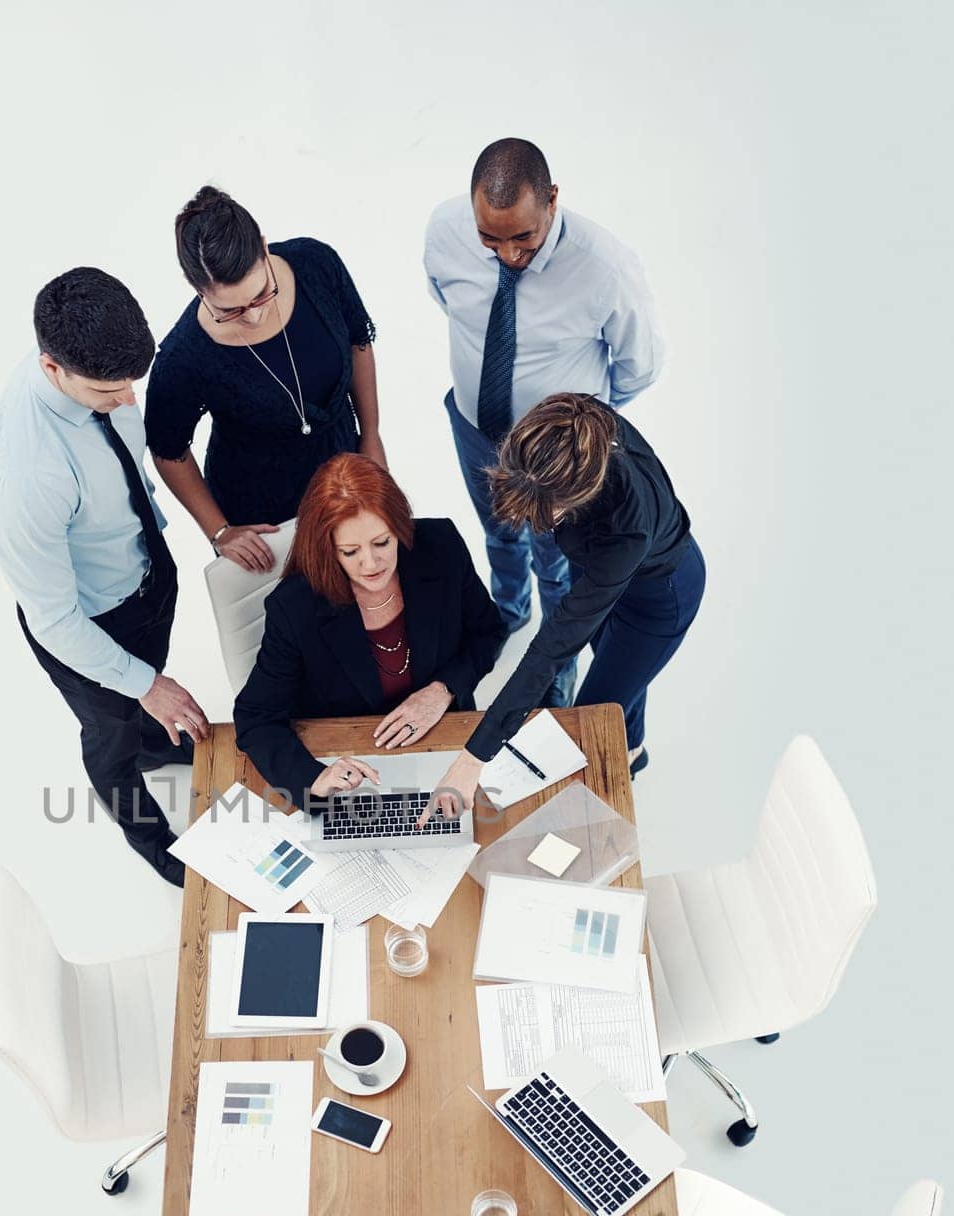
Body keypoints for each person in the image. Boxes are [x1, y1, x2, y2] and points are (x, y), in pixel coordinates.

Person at [0, 267, 209, 887]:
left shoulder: (91, 357)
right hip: (91, 622)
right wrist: (143, 684)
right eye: (111, 391)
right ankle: (160, 848)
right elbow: (54, 620)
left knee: (142, 706)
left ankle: (155, 738)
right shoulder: (26, 482)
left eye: (132, 383)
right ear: (54, 370)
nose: (129, 400)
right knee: (111, 739)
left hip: (145, 574)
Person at [424, 136, 665, 702]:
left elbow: (639, 366)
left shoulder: (606, 267)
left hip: (556, 461)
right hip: (473, 426)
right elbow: (446, 299)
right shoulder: (445, 230)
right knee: (497, 532)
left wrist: (576, 435)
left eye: (524, 238)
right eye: (491, 239)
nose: (508, 255)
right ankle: (507, 610)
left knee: (558, 562)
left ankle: (555, 663)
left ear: (552, 200)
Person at [421, 393, 705, 823]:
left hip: (658, 600)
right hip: (597, 565)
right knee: (620, 676)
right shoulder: (572, 425)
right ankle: (634, 750)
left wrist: (472, 759)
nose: (546, 526)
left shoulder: (626, 533)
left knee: (586, 720)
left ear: (584, 492)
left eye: (553, 514)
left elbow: (550, 650)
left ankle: (605, 787)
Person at [233, 453, 506, 807]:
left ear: (399, 527)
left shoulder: (441, 546)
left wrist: (443, 690)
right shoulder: (294, 606)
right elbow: (255, 717)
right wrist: (313, 777)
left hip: (441, 738)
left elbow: (488, 632)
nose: (371, 564)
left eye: (382, 543)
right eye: (350, 551)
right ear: (327, 548)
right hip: (349, 761)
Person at [144, 186, 385, 576]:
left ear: (263, 246)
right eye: (230, 309)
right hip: (262, 508)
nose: (253, 316)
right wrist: (219, 530)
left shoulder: (315, 263)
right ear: (196, 289)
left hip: (344, 461)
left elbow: (359, 342)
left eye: (260, 295)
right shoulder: (183, 358)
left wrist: (371, 434)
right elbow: (168, 451)